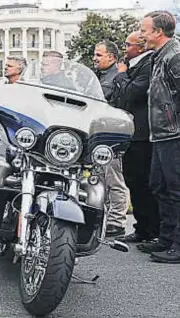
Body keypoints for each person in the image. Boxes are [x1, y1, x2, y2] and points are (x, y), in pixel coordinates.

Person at [138, 10, 180, 263]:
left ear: (158, 32)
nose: (141, 34)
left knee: (176, 190)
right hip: (161, 134)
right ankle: (165, 238)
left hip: (174, 134)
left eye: (144, 30)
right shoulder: (158, 56)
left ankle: (177, 244)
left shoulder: (175, 56)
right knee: (159, 186)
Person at [113, 31, 159, 243]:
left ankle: (152, 230)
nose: (124, 48)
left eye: (127, 44)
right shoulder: (134, 66)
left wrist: (121, 74)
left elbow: (132, 93)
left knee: (143, 182)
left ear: (140, 48)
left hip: (142, 133)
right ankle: (142, 227)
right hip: (130, 133)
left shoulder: (148, 65)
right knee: (132, 180)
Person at [93, 41, 131, 237]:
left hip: (113, 135)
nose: (95, 58)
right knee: (101, 178)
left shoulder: (115, 76)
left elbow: (105, 99)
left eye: (99, 55)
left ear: (111, 57)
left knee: (113, 178)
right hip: (101, 134)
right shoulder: (99, 76)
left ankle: (116, 221)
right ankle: (107, 219)